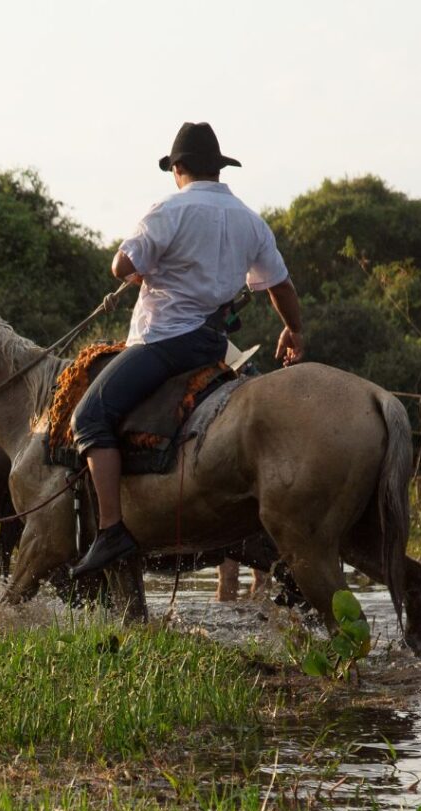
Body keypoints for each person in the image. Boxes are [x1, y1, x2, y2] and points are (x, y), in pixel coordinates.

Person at [70, 121, 304, 577]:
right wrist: (294, 330)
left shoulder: (169, 210)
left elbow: (122, 264)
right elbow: (280, 284)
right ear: (217, 169)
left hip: (165, 340)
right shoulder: (249, 219)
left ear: (178, 168)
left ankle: (111, 529)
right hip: (213, 346)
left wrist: (139, 271)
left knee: (89, 416)